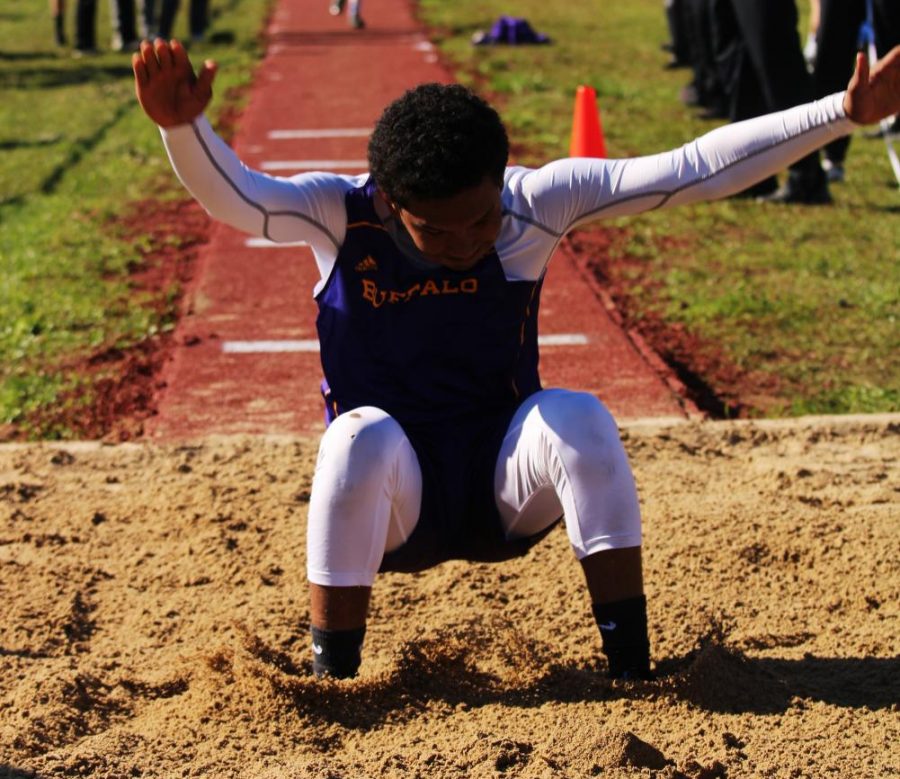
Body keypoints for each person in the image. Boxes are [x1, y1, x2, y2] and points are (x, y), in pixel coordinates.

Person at [132, 38, 900, 681]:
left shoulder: (533, 205)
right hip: (391, 500)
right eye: (444, 230)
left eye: (483, 215)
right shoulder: (339, 216)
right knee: (355, 437)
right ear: (394, 204)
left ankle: (632, 667)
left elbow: (690, 169)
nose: (473, 239)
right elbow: (240, 198)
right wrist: (183, 131)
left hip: (504, 485)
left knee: (580, 417)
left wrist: (843, 113)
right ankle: (333, 678)